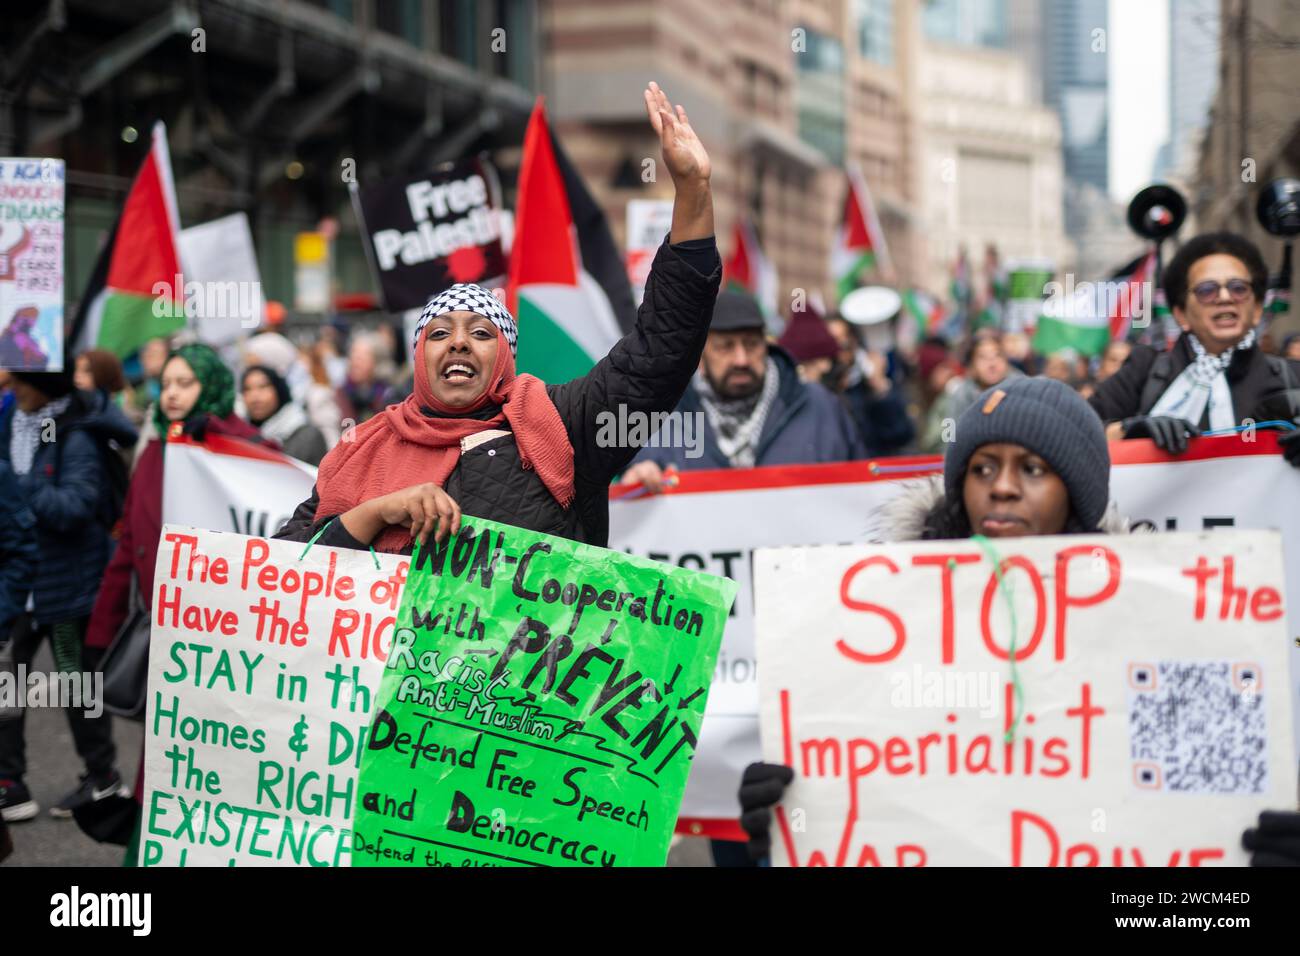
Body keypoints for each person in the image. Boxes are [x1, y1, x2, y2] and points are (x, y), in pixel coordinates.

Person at [737, 377, 1300, 866]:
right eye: (983, 467)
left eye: (1032, 468)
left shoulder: (1151, 629)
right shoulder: (878, 629)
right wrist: (793, 824)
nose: (1002, 486)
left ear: (1075, 497)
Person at [273, 81, 719, 556]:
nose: (459, 343)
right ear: (419, 357)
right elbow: (286, 572)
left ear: (506, 355)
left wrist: (692, 191)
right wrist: (378, 511)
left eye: (481, 333)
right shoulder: (361, 447)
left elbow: (657, 353)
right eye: (440, 333)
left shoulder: (563, 424)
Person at [84, 343, 265, 860]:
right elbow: (128, 547)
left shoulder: (244, 448)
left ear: (210, 386)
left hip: (228, 639)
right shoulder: (156, 454)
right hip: (167, 634)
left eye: (186, 383)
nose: (174, 395)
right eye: (168, 384)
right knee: (166, 756)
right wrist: (103, 628)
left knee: (222, 758)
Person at [0, 370, 137, 822]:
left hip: (67, 586)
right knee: (9, 685)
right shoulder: (12, 424)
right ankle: (9, 783)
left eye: (20, 380)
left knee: (78, 685)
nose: (12, 387)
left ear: (46, 385)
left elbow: (77, 506)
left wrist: (18, 490)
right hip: (22, 584)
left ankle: (102, 776)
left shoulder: (75, 436)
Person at [620, 291, 864, 492]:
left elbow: (859, 495)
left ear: (766, 345)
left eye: (751, 344)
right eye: (725, 347)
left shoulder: (821, 407)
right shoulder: (663, 415)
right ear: (700, 354)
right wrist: (639, 478)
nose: (741, 359)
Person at [1089, 232, 1300, 458]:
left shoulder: (1291, 376)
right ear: (1181, 315)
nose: (1225, 297)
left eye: (1238, 288)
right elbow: (1077, 431)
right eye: (1206, 290)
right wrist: (1127, 430)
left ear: (1257, 309)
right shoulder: (1144, 369)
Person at [826, 315, 915, 457]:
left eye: (845, 337)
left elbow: (902, 434)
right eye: (834, 340)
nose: (842, 345)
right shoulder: (821, 389)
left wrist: (880, 388)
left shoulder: (870, 381)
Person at [241, 365, 328, 466]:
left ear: (278, 390)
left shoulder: (307, 435)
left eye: (263, 387)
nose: (254, 396)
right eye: (247, 389)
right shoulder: (240, 436)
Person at [335, 332, 390, 426]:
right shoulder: (341, 394)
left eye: (361, 358)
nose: (355, 363)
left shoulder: (387, 395)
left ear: (377, 362)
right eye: (353, 356)